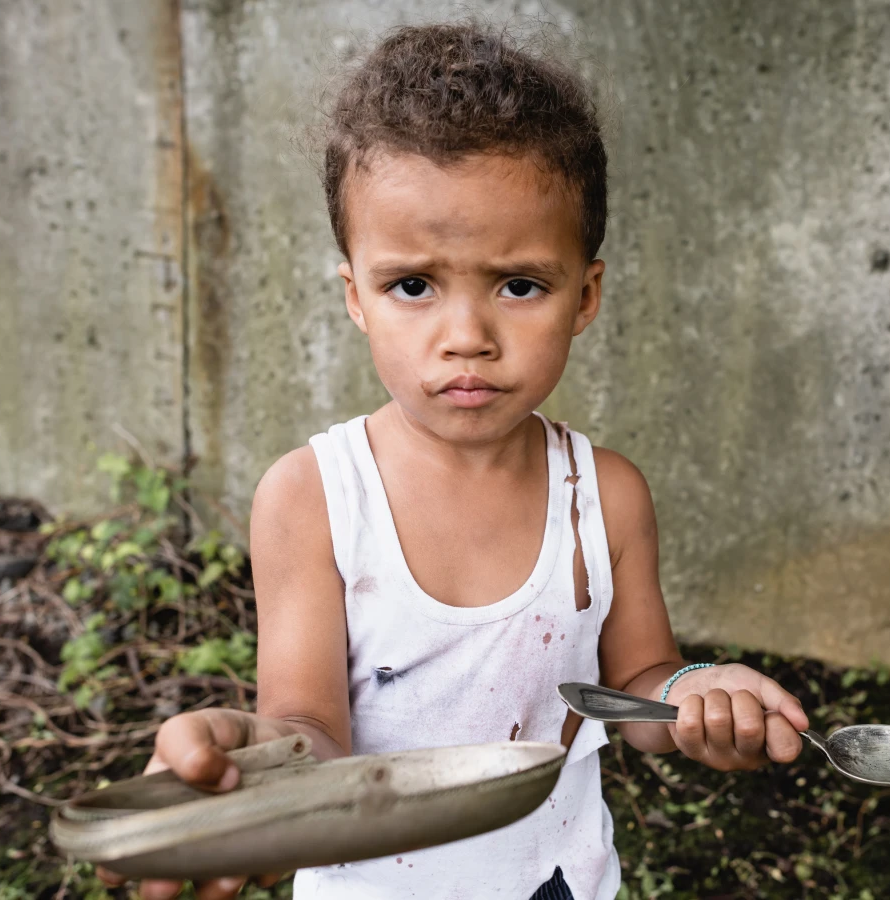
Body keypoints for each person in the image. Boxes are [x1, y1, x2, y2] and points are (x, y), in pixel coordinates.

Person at [100, 21, 809, 900]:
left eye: (519, 285)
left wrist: (702, 696)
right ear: (355, 296)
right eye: (412, 286)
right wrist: (263, 760)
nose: (466, 339)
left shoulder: (606, 497)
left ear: (584, 295)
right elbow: (310, 726)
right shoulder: (313, 498)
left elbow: (639, 686)